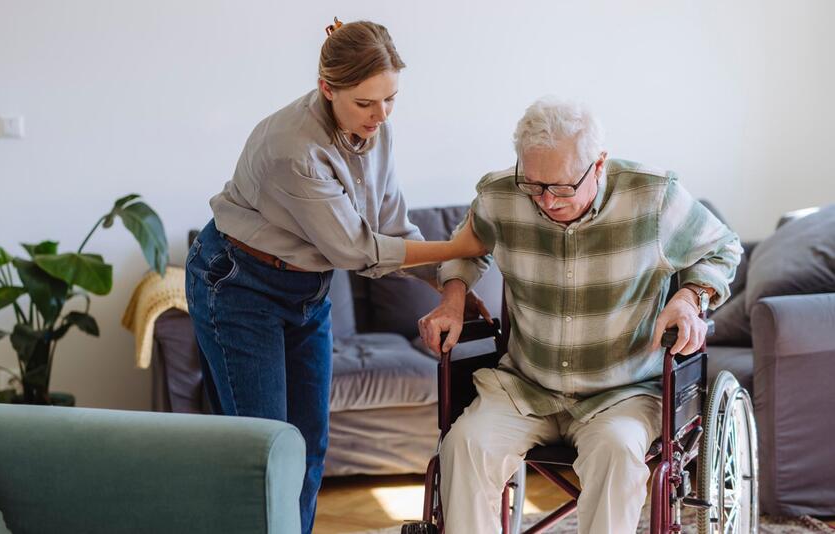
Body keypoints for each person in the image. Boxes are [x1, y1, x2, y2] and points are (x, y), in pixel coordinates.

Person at [185, 18, 487, 534]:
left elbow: (393, 227)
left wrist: (449, 283)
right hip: (238, 286)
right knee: (265, 452)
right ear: (327, 89)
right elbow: (359, 251)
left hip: (307, 290)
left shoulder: (377, 132)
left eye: (390, 99)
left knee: (308, 445)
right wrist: (460, 246)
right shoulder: (294, 149)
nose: (380, 115)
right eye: (365, 103)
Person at [417, 97, 742, 534]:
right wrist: (453, 296)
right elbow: (463, 252)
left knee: (617, 452)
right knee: (464, 446)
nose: (547, 201)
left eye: (563, 187)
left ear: (600, 164)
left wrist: (689, 297)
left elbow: (722, 248)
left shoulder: (653, 197)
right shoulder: (501, 195)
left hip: (622, 392)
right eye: (534, 185)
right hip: (526, 386)